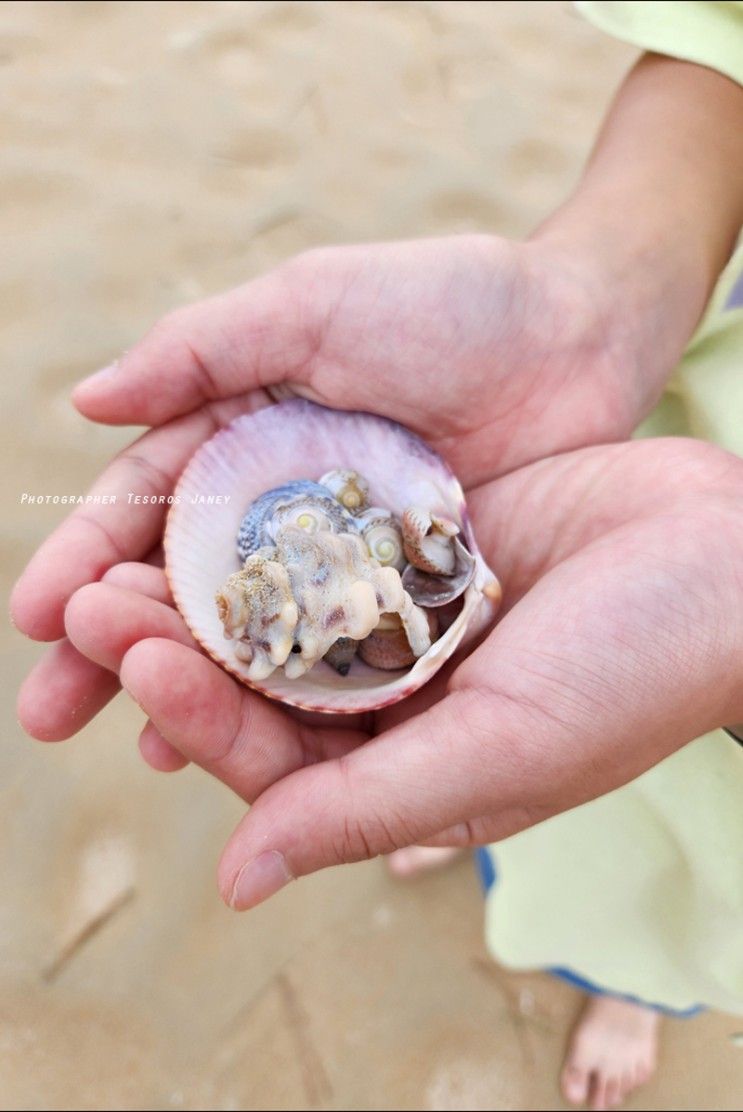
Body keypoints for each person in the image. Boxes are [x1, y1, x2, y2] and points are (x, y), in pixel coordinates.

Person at [11, 3, 743, 1109]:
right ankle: (484, 847)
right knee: (486, 758)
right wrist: (601, 291)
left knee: (656, 888)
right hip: (618, 449)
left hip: (691, 715)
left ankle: (628, 984)